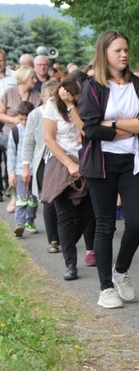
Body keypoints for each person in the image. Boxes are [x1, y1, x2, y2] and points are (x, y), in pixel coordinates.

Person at [78, 30, 139, 309]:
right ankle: (105, 288)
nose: (124, 55)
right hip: (101, 163)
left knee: (136, 222)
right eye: (117, 51)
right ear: (105, 54)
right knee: (105, 225)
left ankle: (120, 271)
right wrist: (126, 126)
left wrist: (111, 124)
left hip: (133, 161)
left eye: (126, 49)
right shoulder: (93, 86)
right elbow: (90, 128)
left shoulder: (138, 85)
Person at [43, 74, 96, 281]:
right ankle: (70, 263)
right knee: (64, 214)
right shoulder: (51, 105)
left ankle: (68, 244)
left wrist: (72, 106)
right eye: (75, 94)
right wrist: (69, 163)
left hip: (86, 160)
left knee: (88, 212)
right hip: (60, 161)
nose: (78, 97)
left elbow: (86, 130)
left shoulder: (85, 103)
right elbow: (49, 138)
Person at [23, 80, 62, 253]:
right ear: (43, 98)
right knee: (48, 200)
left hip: (61, 161)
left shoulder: (64, 114)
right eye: (49, 99)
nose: (52, 102)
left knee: (62, 200)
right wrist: (26, 166)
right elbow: (28, 142)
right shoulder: (35, 115)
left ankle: (65, 234)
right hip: (43, 162)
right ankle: (53, 239)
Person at [0, 65, 43, 213]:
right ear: (24, 78)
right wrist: (15, 121)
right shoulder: (9, 93)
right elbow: (0, 113)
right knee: (11, 165)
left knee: (28, 166)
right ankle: (14, 197)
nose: (35, 80)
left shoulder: (37, 96)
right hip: (11, 134)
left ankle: (28, 196)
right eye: (32, 77)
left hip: (31, 137)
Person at [8, 101, 38, 236]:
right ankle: (19, 223)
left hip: (35, 170)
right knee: (21, 198)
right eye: (21, 119)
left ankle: (29, 221)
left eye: (27, 119)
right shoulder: (15, 131)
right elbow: (11, 154)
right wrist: (11, 174)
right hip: (21, 171)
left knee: (33, 199)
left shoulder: (37, 129)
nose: (24, 122)